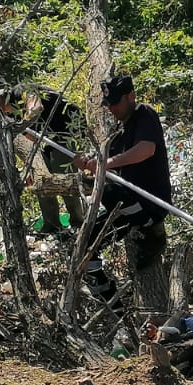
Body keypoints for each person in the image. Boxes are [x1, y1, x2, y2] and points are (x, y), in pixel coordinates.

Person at [72, 75, 171, 314]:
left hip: (149, 203)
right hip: (125, 205)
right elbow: (107, 164)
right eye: (109, 104)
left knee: (108, 190)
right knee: (84, 246)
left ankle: (150, 229)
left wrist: (105, 164)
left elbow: (146, 150)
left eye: (116, 102)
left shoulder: (144, 115)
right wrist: (88, 164)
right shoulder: (119, 130)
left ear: (131, 96)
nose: (113, 109)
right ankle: (113, 308)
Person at [11, 86, 86, 236]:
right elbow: (29, 137)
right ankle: (51, 224)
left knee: (63, 173)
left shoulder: (22, 90)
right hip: (49, 138)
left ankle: (78, 222)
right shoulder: (12, 112)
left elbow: (36, 108)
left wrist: (23, 126)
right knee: (41, 176)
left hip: (67, 132)